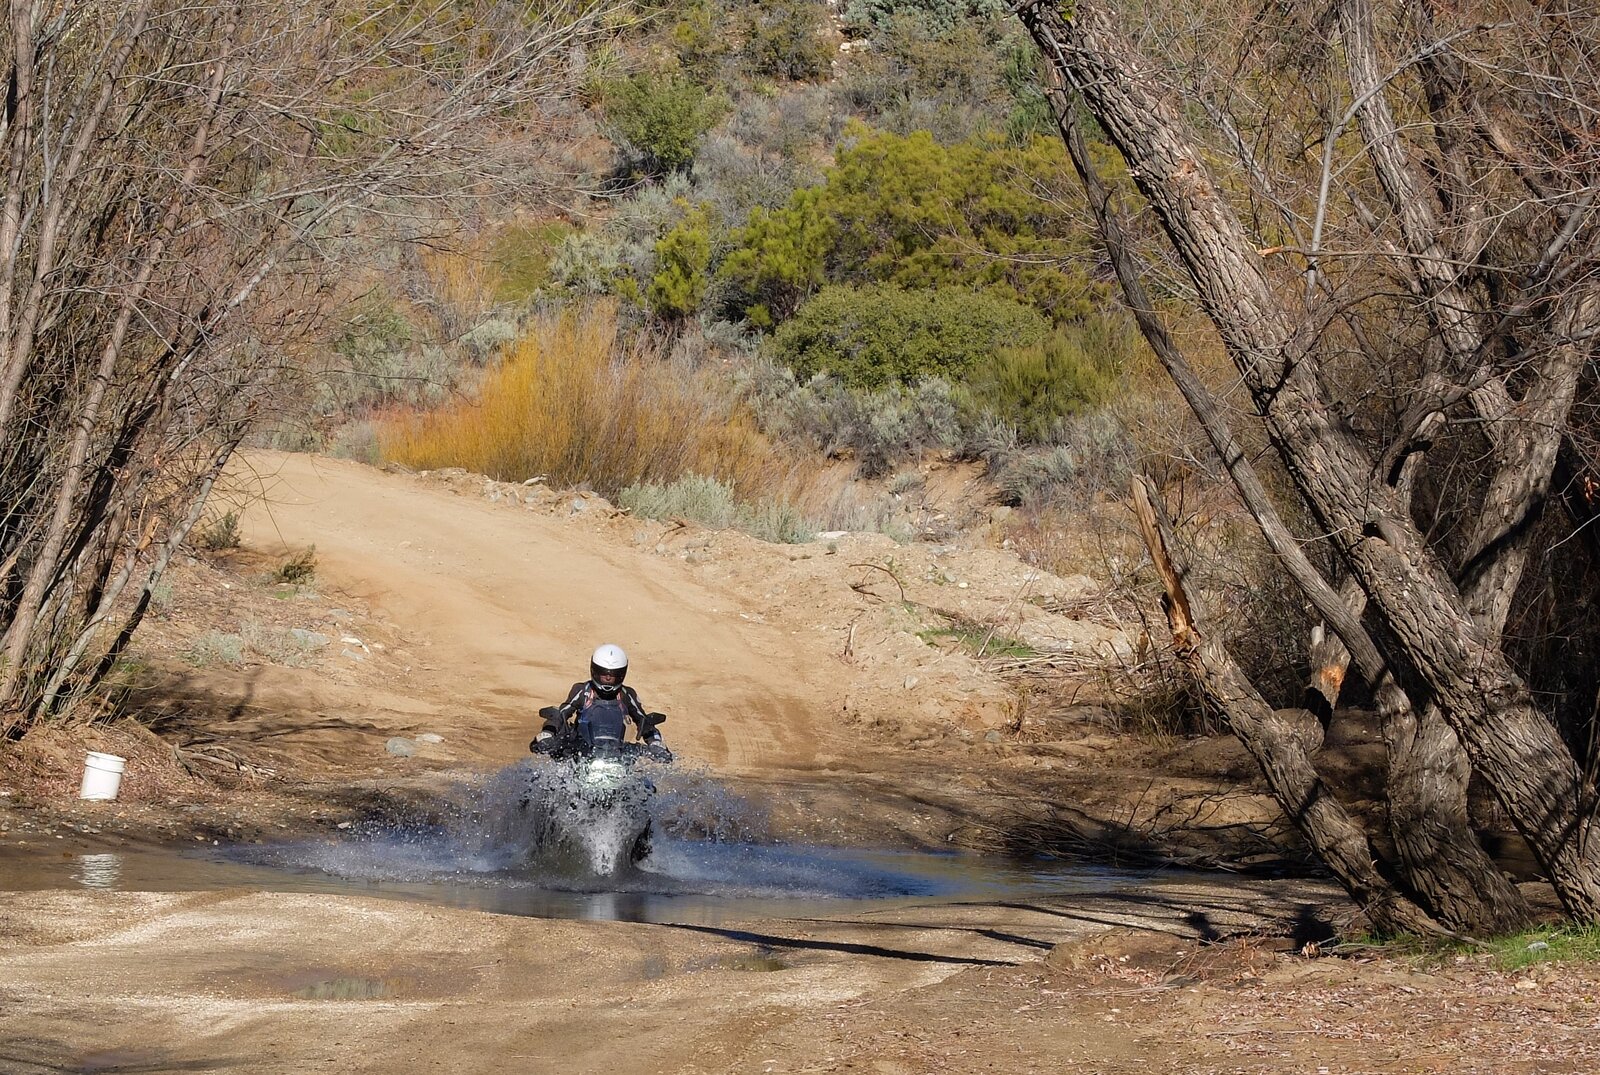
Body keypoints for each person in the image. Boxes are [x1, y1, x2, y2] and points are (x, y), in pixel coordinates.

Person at [531, 643, 672, 760]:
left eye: (613, 675)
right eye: (604, 674)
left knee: (646, 787)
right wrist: (548, 733)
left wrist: (655, 742)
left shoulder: (626, 694)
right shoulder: (582, 690)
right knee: (555, 781)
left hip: (617, 752)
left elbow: (643, 719)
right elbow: (562, 713)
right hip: (580, 749)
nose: (608, 679)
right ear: (594, 670)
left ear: (622, 674)